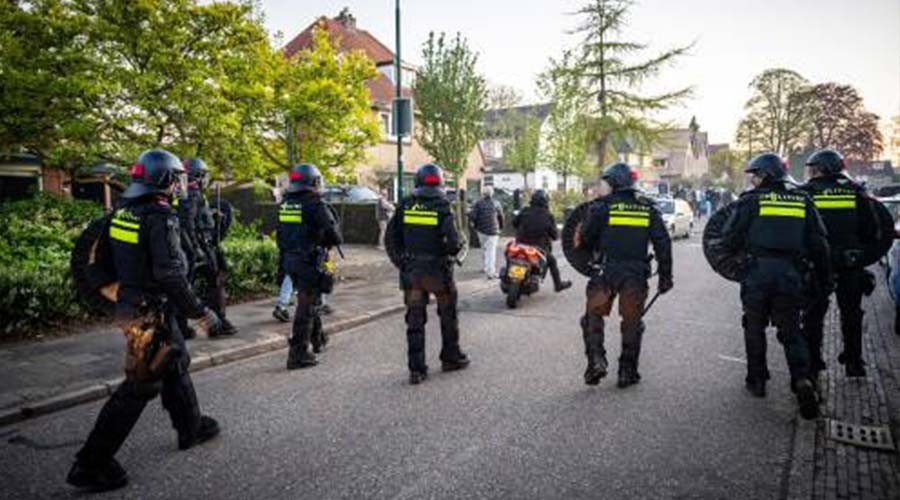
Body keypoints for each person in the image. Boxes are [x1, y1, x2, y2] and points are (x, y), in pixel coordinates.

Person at [67, 150, 223, 492]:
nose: (181, 183)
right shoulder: (159, 216)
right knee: (141, 385)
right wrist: (200, 311)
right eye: (177, 177)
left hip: (135, 305)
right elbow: (170, 274)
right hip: (148, 313)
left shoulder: (125, 211)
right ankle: (91, 464)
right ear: (164, 180)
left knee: (176, 361)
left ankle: (191, 426)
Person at [719, 152, 830, 420]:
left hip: (757, 274)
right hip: (791, 276)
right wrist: (824, 281)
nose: (753, 179)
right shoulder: (803, 200)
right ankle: (802, 378)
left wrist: (738, 254)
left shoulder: (751, 201)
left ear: (765, 175)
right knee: (791, 330)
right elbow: (819, 244)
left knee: (754, 326)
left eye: (756, 174)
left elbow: (728, 238)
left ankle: (757, 380)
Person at [577, 163, 673, 389]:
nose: (603, 187)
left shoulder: (602, 207)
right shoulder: (647, 208)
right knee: (632, 323)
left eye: (606, 182)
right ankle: (627, 372)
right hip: (635, 275)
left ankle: (596, 362)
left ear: (614, 183)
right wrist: (665, 276)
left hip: (605, 273)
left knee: (592, 318)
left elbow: (587, 239)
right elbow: (663, 243)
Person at [800, 149, 878, 377]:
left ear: (822, 169)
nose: (810, 173)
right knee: (852, 313)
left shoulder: (806, 193)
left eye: (812, 168)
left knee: (813, 315)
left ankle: (813, 364)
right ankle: (854, 362)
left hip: (817, 264)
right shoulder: (855, 191)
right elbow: (872, 229)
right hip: (850, 264)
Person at [391, 163, 470, 385]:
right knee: (447, 315)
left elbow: (392, 239)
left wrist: (402, 263)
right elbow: (454, 243)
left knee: (414, 320)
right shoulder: (443, 205)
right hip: (437, 272)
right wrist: (452, 250)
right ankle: (450, 357)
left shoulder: (405, 205)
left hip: (412, 273)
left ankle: (416, 369)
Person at [278, 163, 342, 369]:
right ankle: (297, 354)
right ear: (313, 182)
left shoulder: (286, 203)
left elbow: (281, 233)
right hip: (308, 260)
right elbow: (335, 236)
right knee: (305, 307)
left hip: (289, 260)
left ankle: (318, 339)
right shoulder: (315, 204)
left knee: (310, 300)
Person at [177, 158, 237, 337]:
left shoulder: (180, 193)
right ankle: (217, 324)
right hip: (200, 245)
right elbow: (187, 223)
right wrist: (196, 249)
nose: (205, 179)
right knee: (215, 283)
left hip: (187, 247)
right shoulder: (192, 193)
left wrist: (210, 215)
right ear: (197, 176)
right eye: (203, 175)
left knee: (183, 287)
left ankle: (181, 328)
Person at [512, 189, 572, 292]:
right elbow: (554, 235)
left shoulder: (525, 210)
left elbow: (514, 223)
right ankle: (558, 285)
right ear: (545, 201)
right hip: (538, 248)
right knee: (552, 261)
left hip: (520, 245)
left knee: (510, 255)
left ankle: (511, 276)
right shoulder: (548, 215)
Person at [470, 186, 504, 279]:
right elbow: (501, 217)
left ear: (483, 194)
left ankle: (486, 267)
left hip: (481, 230)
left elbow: (473, 216)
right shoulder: (496, 203)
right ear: (492, 194)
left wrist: (475, 224)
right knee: (491, 251)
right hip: (493, 231)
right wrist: (500, 227)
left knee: (484, 249)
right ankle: (490, 272)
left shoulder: (478, 203)